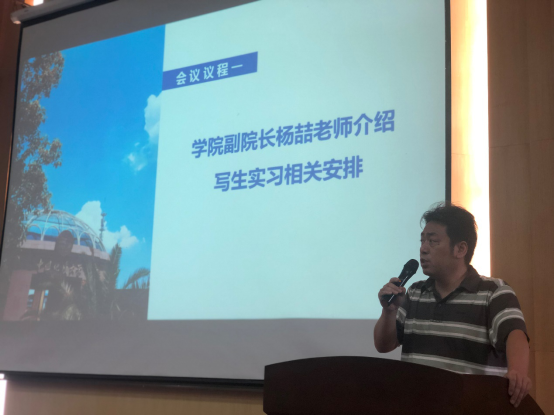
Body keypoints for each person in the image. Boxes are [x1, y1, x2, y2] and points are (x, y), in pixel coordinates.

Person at [374, 203, 531, 408]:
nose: (423, 248)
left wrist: (517, 372)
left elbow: (515, 334)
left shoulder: (493, 292)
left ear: (460, 249)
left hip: (471, 408)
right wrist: (389, 311)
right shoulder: (415, 292)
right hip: (417, 407)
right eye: (422, 241)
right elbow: (384, 346)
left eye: (433, 241)